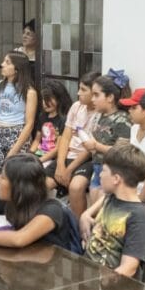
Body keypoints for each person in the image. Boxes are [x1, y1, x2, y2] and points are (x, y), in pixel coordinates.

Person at [81, 144, 145, 278]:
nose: (100, 175)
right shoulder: (110, 197)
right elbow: (92, 209)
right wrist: (85, 215)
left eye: (103, 170)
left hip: (108, 285)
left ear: (116, 179)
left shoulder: (139, 216)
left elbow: (129, 267)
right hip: (88, 269)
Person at [52, 71, 100, 216]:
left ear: (95, 93)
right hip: (67, 155)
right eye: (79, 88)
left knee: (76, 186)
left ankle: (79, 230)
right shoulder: (76, 107)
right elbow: (65, 137)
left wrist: (69, 170)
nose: (79, 93)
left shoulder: (100, 114)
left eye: (83, 90)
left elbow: (89, 149)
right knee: (39, 181)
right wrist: (60, 165)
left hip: (85, 159)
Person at [79, 75, 132, 202]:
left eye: (96, 95)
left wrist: (96, 146)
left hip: (113, 172)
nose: (92, 99)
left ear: (110, 97)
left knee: (103, 210)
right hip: (97, 168)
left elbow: (121, 152)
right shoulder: (98, 116)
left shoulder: (122, 120)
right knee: (94, 207)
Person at [0, 52, 38, 176]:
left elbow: (29, 124)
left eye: (7, 62)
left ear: (17, 69)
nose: (2, 64)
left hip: (17, 133)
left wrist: (14, 150)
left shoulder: (29, 91)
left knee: (12, 174)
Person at [29, 79, 71, 166]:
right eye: (43, 100)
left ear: (59, 98)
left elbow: (58, 148)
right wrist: (30, 154)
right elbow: (37, 140)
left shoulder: (64, 119)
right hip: (39, 154)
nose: (44, 103)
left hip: (52, 158)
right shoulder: (42, 116)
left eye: (48, 99)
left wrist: (40, 161)